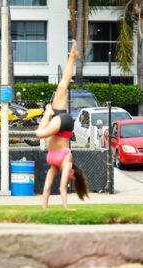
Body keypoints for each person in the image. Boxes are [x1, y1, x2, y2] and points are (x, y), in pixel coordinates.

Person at [36, 40, 89, 210]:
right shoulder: (67, 162)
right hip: (64, 125)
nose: (69, 177)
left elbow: (48, 187)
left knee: (62, 86)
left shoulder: (54, 164)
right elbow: (61, 188)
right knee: (39, 134)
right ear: (73, 171)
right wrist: (66, 207)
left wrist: (44, 208)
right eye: (73, 176)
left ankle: (72, 58)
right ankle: (48, 111)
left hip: (59, 125)